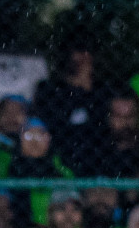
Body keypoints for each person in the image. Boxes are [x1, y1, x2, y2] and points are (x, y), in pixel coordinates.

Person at [32, 44, 108, 176]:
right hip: (57, 155)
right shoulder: (48, 88)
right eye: (79, 52)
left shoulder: (102, 91)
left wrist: (87, 88)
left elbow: (101, 123)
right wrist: (79, 87)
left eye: (87, 54)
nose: (84, 58)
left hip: (95, 158)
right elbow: (54, 121)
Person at [82, 89, 139, 179]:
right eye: (118, 115)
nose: (125, 121)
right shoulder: (95, 149)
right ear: (109, 117)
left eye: (130, 115)